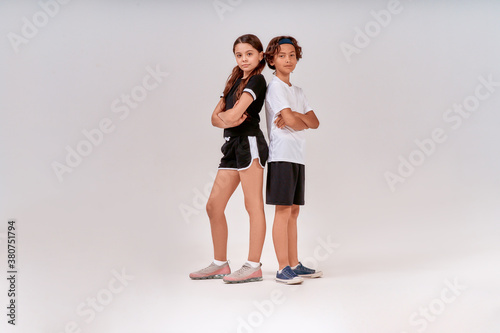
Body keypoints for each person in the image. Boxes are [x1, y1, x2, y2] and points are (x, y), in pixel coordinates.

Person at [189, 34, 268, 284]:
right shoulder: (235, 80)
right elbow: (217, 117)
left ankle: (253, 265)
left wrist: (228, 116)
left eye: (249, 54)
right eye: (239, 54)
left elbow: (231, 115)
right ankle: (220, 264)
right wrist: (228, 117)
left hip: (250, 144)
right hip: (231, 146)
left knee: (252, 205)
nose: (244, 59)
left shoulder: (257, 80)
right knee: (213, 206)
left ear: (260, 55)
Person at [264, 36, 322, 284]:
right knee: (283, 210)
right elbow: (288, 120)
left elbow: (315, 122)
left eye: (291, 55)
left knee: (294, 211)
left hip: (298, 157)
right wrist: (297, 119)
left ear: (297, 58)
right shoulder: (275, 87)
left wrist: (296, 116)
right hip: (281, 156)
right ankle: (281, 268)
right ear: (272, 59)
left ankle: (294, 263)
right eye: (281, 55)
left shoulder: (297, 91)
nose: (287, 59)